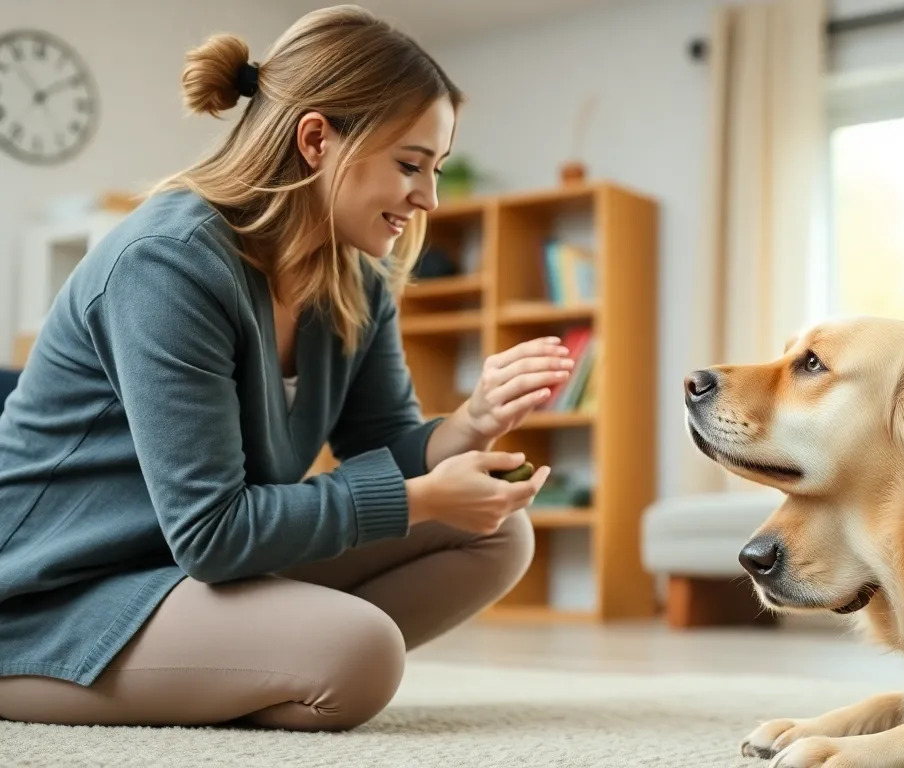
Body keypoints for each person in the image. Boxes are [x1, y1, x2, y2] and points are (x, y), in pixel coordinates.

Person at [0, 5, 571, 731]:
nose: (427, 197)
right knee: (359, 652)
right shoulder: (167, 265)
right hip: (51, 595)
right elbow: (213, 531)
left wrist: (471, 423)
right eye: (410, 165)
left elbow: (381, 449)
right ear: (315, 140)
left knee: (497, 532)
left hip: (181, 573)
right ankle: (279, 663)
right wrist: (425, 500)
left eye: (436, 170)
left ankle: (259, 665)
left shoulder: (353, 280)